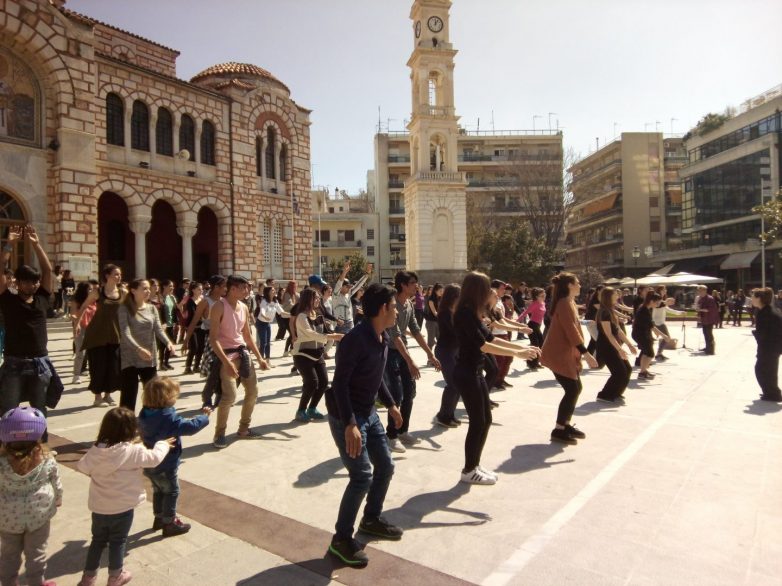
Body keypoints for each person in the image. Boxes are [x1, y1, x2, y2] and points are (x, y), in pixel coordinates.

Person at [324, 283, 404, 567]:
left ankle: (371, 518)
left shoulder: (382, 336)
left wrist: (392, 403)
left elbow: (377, 376)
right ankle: (341, 539)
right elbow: (340, 385)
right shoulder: (355, 340)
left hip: (369, 413)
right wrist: (349, 424)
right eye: (394, 306)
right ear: (383, 309)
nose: (396, 311)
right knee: (361, 476)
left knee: (386, 466)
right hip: (348, 417)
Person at [453, 272, 540, 484]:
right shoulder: (464, 313)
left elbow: (491, 337)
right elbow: (482, 345)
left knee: (485, 419)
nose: (490, 294)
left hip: (476, 371)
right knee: (477, 421)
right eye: (486, 289)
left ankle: (474, 464)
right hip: (466, 373)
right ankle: (468, 470)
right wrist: (516, 353)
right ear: (478, 291)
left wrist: (520, 347)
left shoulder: (473, 313)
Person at [76, 407, 172, 586]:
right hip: (123, 507)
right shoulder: (133, 451)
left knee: (97, 541)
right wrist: (163, 444)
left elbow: (82, 467)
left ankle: (88, 579)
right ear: (131, 429)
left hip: (99, 507)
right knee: (118, 542)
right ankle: (115, 576)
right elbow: (155, 458)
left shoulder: (96, 451)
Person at [138, 377, 210, 536]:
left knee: (158, 490)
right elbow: (190, 427)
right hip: (166, 462)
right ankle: (169, 523)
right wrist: (204, 417)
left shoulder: (144, 413)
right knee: (171, 491)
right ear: (166, 397)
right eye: (174, 395)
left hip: (150, 462)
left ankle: (159, 517)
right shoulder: (168, 417)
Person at [0, 225, 58, 421]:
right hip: (14, 362)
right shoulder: (8, 299)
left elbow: (47, 271)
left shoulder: (41, 298)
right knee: (8, 408)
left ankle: (41, 446)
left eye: (34, 282)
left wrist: (36, 245)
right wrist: (9, 245)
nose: (31, 285)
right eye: (27, 282)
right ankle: (5, 446)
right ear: (17, 282)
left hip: (39, 362)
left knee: (40, 408)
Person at [0, 407, 61, 586]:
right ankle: (36, 582)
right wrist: (58, 498)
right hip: (39, 516)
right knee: (36, 554)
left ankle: (8, 583)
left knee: (9, 555)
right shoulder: (47, 459)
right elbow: (56, 483)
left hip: (7, 519)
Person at [209, 275, 270, 448]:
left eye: (247, 288)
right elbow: (213, 339)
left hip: (243, 355)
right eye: (243, 288)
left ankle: (244, 429)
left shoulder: (244, 307)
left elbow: (248, 336)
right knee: (229, 396)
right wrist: (226, 363)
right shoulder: (219, 307)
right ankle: (219, 433)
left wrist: (259, 358)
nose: (247, 291)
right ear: (233, 289)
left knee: (253, 392)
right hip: (226, 356)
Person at [385, 271, 441, 454]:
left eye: (417, 282)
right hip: (389, 353)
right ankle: (391, 435)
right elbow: (395, 337)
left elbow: (416, 331)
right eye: (413, 283)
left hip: (402, 351)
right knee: (396, 394)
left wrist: (430, 354)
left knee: (409, 392)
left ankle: (402, 431)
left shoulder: (408, 304)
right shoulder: (391, 304)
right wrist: (410, 361)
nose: (417, 286)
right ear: (402, 285)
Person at [540, 272, 598, 445]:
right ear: (569, 285)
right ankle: (559, 429)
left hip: (566, 353)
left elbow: (574, 326)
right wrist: (587, 354)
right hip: (558, 354)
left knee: (575, 388)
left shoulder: (569, 302)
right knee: (572, 389)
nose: (580, 285)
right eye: (577, 283)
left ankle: (564, 425)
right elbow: (570, 329)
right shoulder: (564, 303)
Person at [117, 279, 174, 411]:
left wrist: (168, 342)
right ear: (133, 290)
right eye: (144, 288)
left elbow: (158, 329)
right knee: (128, 394)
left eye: (149, 288)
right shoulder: (124, 308)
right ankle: (126, 424)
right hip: (130, 357)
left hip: (149, 357)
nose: (148, 291)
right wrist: (138, 349)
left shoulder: (152, 308)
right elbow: (125, 333)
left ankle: (149, 423)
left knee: (152, 394)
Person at [291, 288, 343, 422]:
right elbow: (311, 334)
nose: (318, 300)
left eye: (319, 298)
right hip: (303, 355)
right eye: (316, 298)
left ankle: (312, 408)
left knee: (324, 382)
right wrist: (333, 336)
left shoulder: (318, 315)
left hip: (317, 354)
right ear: (308, 299)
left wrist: (340, 335)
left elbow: (326, 330)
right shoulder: (302, 317)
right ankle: (301, 410)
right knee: (312, 383)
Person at [82, 264, 124, 407]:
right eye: (116, 274)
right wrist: (76, 324)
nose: (119, 277)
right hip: (97, 334)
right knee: (98, 366)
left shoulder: (123, 292)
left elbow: (130, 310)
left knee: (113, 366)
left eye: (119, 275)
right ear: (107, 276)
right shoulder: (97, 292)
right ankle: (97, 397)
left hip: (115, 334)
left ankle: (108, 394)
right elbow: (84, 306)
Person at [595, 287, 637, 404]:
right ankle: (604, 395)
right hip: (606, 347)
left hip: (613, 345)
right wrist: (619, 349)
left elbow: (618, 330)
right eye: (615, 294)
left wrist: (629, 344)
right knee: (619, 372)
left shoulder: (611, 311)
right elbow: (608, 334)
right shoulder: (604, 312)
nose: (618, 296)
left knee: (627, 369)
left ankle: (616, 393)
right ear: (609, 296)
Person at [181, 275, 226, 373]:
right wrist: (186, 341)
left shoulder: (224, 301)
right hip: (211, 339)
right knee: (213, 371)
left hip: (224, 338)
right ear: (216, 287)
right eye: (223, 286)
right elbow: (193, 322)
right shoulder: (205, 302)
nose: (226, 288)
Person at [434, 284, 461, 428]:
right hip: (445, 352)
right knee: (453, 384)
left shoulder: (453, 311)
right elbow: (454, 331)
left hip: (453, 351)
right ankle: (443, 416)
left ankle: (449, 414)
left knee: (457, 384)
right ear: (453, 297)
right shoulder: (445, 312)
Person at [750, 288, 782, 402]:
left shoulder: (765, 313)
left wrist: (755, 333)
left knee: (761, 369)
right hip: (773, 347)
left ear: (759, 298)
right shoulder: (767, 310)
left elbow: (764, 335)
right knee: (770, 370)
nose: (751, 299)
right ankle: (771, 392)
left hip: (770, 347)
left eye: (753, 296)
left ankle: (772, 393)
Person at [632, 292, 671, 379]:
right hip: (640, 334)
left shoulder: (646, 308)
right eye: (657, 302)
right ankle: (642, 372)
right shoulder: (644, 310)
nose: (658, 304)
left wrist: (656, 333)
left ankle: (643, 371)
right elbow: (651, 326)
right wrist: (664, 335)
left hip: (643, 333)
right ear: (651, 301)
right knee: (650, 353)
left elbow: (649, 324)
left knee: (646, 353)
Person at [332, 261, 370, 334]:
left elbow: (358, 285)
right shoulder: (336, 295)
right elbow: (339, 282)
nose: (349, 288)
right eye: (347, 286)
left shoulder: (348, 294)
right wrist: (344, 272)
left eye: (350, 286)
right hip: (340, 324)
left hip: (350, 323)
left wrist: (367, 274)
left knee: (351, 345)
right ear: (341, 287)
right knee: (341, 345)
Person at [254, 286, 289, 362]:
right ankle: (261, 361)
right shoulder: (264, 301)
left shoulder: (275, 301)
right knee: (263, 342)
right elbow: (262, 311)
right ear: (268, 292)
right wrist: (265, 316)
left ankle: (267, 361)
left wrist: (292, 315)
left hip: (267, 324)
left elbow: (282, 313)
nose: (274, 291)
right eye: (272, 290)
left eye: (274, 290)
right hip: (261, 323)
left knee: (268, 343)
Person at [518, 287, 546, 369]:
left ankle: (535, 362)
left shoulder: (543, 303)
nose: (544, 296)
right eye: (542, 295)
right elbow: (525, 313)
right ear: (537, 297)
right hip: (532, 325)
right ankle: (531, 363)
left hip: (538, 326)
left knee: (540, 344)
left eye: (544, 294)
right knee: (535, 344)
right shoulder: (535, 303)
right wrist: (516, 321)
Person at [181, 282, 204, 374]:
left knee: (201, 347)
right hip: (191, 327)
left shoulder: (202, 300)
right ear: (193, 290)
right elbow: (193, 314)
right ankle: (188, 367)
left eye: (202, 289)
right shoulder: (190, 301)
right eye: (199, 289)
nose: (201, 291)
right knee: (194, 347)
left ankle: (196, 366)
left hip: (201, 327)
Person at [157, 280, 176, 370]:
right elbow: (159, 312)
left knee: (170, 343)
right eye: (170, 286)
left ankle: (166, 362)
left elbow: (174, 310)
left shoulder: (171, 297)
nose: (172, 288)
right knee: (162, 345)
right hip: (163, 325)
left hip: (170, 323)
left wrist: (176, 322)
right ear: (164, 286)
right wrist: (162, 323)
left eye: (172, 286)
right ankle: (161, 363)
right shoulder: (160, 298)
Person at [695, 286, 719, 355]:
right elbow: (700, 307)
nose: (699, 292)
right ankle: (707, 347)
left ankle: (711, 350)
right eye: (698, 291)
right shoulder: (701, 298)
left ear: (704, 291)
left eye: (700, 291)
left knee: (709, 334)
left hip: (709, 319)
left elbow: (710, 309)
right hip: (704, 319)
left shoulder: (710, 298)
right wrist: (698, 313)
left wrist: (700, 310)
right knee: (705, 333)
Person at [423, 283, 443, 349]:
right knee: (430, 342)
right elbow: (434, 312)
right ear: (435, 291)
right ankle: (430, 357)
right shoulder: (431, 299)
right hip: (431, 322)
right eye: (440, 291)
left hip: (438, 321)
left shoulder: (441, 298)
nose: (441, 292)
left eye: (442, 291)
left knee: (440, 340)